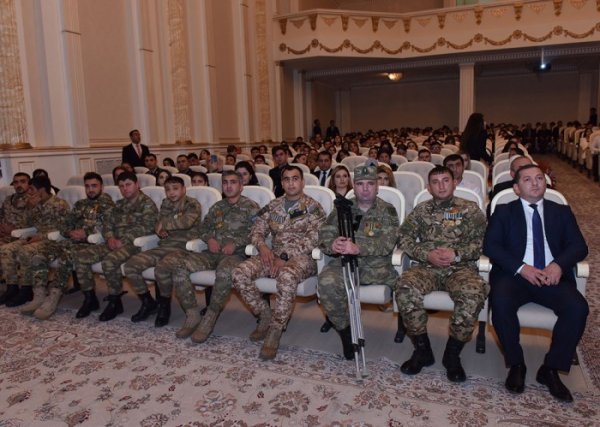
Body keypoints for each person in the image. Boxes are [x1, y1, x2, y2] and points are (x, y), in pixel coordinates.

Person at [483, 164, 588, 402]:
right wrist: (522, 268)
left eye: (539, 178)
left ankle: (550, 369)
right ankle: (517, 364)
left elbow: (579, 246)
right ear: (517, 188)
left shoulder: (560, 211)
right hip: (515, 277)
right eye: (528, 179)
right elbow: (491, 246)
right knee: (500, 302)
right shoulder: (503, 211)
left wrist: (558, 265)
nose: (535, 183)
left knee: (578, 308)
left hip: (552, 277)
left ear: (546, 183)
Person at [396, 166, 488, 383]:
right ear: (428, 187)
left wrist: (456, 254)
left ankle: (452, 354)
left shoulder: (470, 209)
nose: (441, 185)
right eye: (435, 182)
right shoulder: (421, 210)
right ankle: (422, 349)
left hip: (461, 268)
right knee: (404, 287)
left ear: (454, 182)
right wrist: (426, 254)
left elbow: (482, 242)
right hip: (427, 267)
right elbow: (404, 237)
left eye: (445, 180)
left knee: (473, 293)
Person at [232, 165, 326, 360]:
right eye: (286, 179)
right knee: (239, 273)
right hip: (271, 255)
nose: (290, 183)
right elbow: (256, 230)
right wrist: (263, 247)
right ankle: (265, 315)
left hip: (302, 258)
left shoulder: (313, 207)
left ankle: (275, 330)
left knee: (286, 275)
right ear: (281, 183)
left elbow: (314, 239)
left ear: (302, 182)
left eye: (295, 179)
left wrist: (284, 257)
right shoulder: (273, 205)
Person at [158, 171, 259, 340]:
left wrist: (236, 244)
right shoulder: (217, 207)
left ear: (241, 186)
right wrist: (210, 239)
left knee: (224, 273)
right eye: (225, 182)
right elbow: (203, 229)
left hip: (237, 254)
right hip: (212, 252)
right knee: (180, 267)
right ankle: (192, 314)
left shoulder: (252, 207)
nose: (228, 186)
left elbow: (258, 233)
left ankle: (210, 318)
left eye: (233, 182)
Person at [318, 165, 400, 359]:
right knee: (326, 282)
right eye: (360, 184)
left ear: (377, 187)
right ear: (354, 186)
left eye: (370, 184)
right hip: (345, 263)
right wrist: (333, 244)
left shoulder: (387, 210)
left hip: (376, 267)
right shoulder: (343, 208)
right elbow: (325, 233)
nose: (365, 188)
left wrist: (358, 246)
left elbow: (387, 244)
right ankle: (345, 332)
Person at [71, 171, 158, 321]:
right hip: (113, 242)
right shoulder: (118, 204)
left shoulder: (147, 204)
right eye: (122, 186)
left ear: (137, 185)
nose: (125, 189)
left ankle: (118, 301)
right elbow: (107, 224)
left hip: (135, 244)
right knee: (81, 257)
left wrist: (122, 240)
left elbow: (147, 227)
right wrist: (110, 237)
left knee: (110, 261)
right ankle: (90, 299)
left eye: (128, 184)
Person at [31, 172, 115, 319]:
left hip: (91, 243)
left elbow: (108, 227)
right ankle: (38, 295)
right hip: (71, 241)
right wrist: (70, 231)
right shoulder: (80, 204)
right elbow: (65, 224)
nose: (90, 189)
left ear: (102, 186)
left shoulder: (108, 205)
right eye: (87, 186)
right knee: (39, 254)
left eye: (94, 186)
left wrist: (86, 232)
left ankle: (54, 297)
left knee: (67, 256)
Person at [122, 176, 202, 326]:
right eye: (168, 189)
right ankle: (148, 302)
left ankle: (164, 306)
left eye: (175, 188)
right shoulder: (165, 203)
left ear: (184, 189)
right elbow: (157, 223)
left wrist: (164, 224)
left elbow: (186, 222)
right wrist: (159, 229)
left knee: (162, 268)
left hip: (184, 248)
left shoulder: (192, 204)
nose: (171, 193)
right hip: (164, 246)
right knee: (131, 265)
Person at [0, 176, 70, 308]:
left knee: (25, 250)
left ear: (42, 189)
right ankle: (12, 287)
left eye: (31, 189)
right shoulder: (35, 203)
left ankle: (26, 289)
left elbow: (63, 229)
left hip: (52, 240)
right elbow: (26, 225)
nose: (29, 192)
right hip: (33, 237)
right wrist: (30, 208)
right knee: (5, 250)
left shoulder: (59, 204)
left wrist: (40, 237)